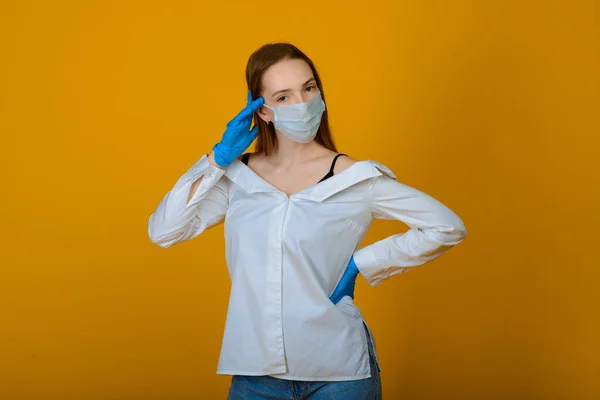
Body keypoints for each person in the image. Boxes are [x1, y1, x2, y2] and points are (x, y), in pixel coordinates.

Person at [148, 43, 467, 399]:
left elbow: (446, 225)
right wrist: (216, 160)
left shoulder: (355, 178)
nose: (301, 103)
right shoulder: (240, 178)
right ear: (262, 110)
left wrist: (363, 264)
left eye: (308, 88)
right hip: (255, 376)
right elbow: (164, 230)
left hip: (339, 372)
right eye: (283, 97)